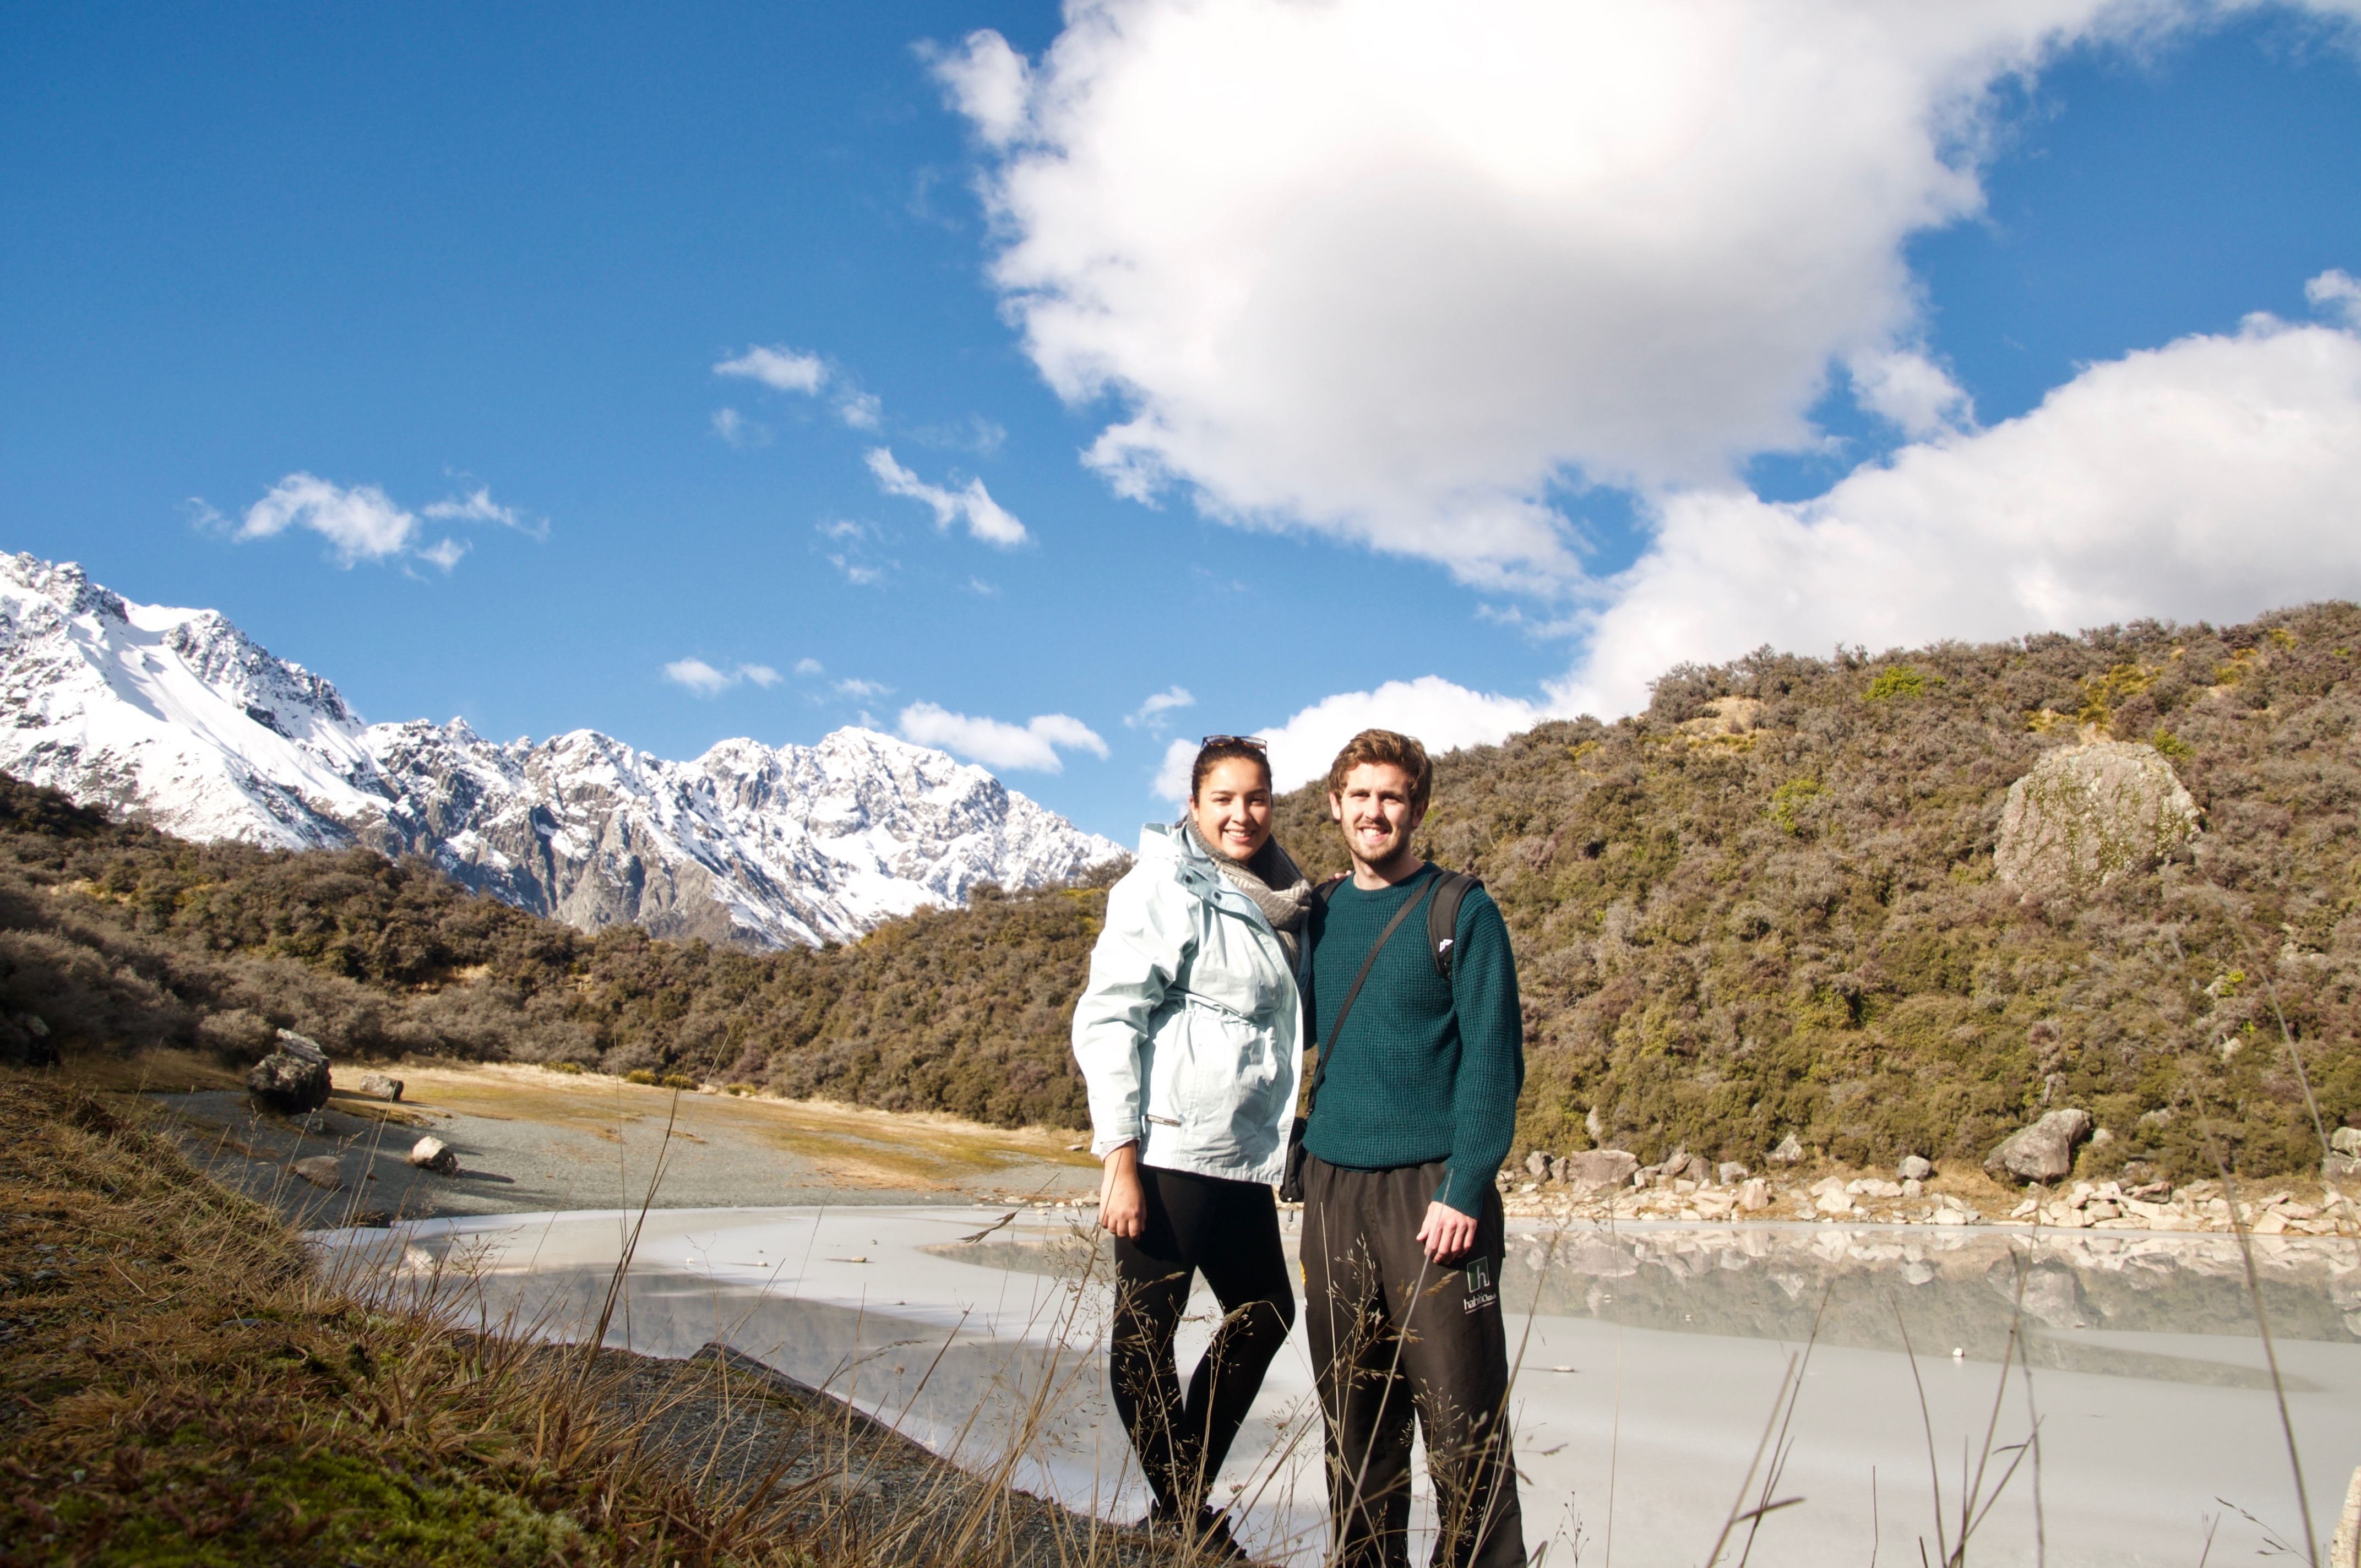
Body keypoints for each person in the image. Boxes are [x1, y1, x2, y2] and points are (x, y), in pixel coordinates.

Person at [1071, 734, 1313, 1559]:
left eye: (1257, 798)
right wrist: (1119, 1158)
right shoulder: (1163, 885)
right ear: (1194, 805)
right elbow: (1111, 1018)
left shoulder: (1284, 896)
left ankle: (1180, 1505)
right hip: (1169, 1148)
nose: (1242, 814)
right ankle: (1186, 1512)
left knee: (1266, 1310)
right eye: (1225, 800)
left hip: (1239, 1153)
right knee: (1145, 1338)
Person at [1299, 728, 1526, 1568]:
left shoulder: (1460, 911)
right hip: (1332, 1191)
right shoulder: (1319, 914)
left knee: (1463, 1426)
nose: (1375, 812)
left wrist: (1466, 1187)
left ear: (1418, 808)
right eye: (1359, 796)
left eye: (1391, 797)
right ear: (1335, 806)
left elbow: (1495, 1061)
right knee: (1356, 1425)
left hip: (1433, 1197)